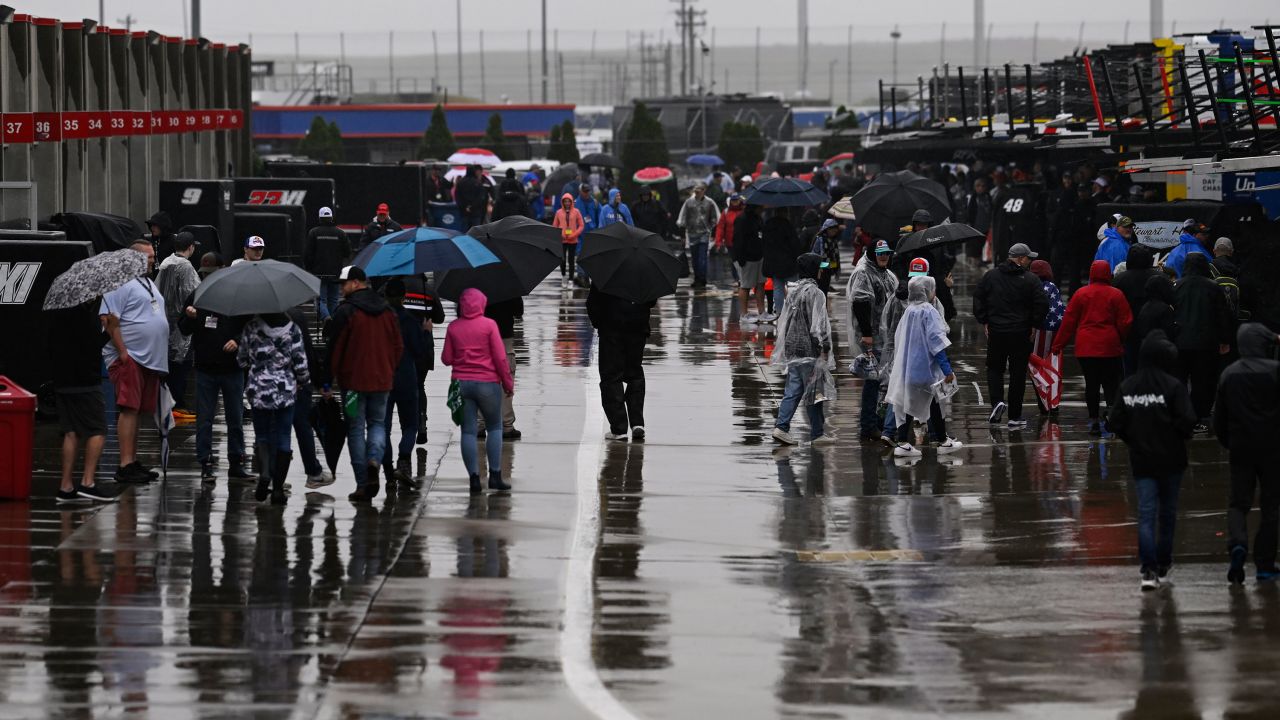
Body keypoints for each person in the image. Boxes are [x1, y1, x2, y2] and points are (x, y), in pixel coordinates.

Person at [1107, 330, 1197, 591]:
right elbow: (1188, 419)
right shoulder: (1173, 386)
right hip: (1172, 459)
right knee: (1167, 515)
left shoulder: (1128, 386)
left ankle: (1147, 570)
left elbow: (1115, 422)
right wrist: (1177, 436)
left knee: (1146, 515)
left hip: (1142, 459)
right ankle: (1163, 564)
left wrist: (1133, 439)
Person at [327, 265, 404, 502]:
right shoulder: (387, 310)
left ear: (357, 283)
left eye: (344, 283)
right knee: (379, 424)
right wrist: (388, 369)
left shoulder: (346, 312)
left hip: (352, 384)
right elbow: (398, 346)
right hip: (382, 381)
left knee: (355, 428)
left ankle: (362, 482)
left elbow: (335, 348)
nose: (341, 288)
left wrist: (327, 381)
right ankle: (374, 460)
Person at [1214, 323, 1280, 584]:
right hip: (1273, 448)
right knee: (1271, 506)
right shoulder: (1276, 372)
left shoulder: (1230, 374)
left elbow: (1219, 416)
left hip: (1241, 446)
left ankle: (1238, 544)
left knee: (1238, 503)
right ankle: (1264, 564)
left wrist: (1228, 441)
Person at [100, 240, 167, 484]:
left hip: (148, 359)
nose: (152, 260)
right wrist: (123, 352)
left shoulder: (147, 282)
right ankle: (124, 464)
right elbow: (109, 319)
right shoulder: (119, 283)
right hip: (131, 357)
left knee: (137, 411)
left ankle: (132, 460)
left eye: (152, 256)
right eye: (147, 257)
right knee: (128, 409)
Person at [180, 267, 253, 484]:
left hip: (232, 370)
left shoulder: (238, 298)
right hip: (206, 369)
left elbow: (249, 327)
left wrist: (238, 341)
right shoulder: (197, 296)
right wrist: (190, 317)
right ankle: (206, 462)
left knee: (235, 419)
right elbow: (183, 329)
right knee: (204, 420)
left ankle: (236, 461)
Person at [441, 288, 514, 494]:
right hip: (488, 384)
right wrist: (508, 384)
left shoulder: (454, 327)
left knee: (469, 431)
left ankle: (474, 478)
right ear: (482, 304)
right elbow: (500, 359)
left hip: (461, 384)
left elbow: (446, 359)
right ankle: (496, 475)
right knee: (495, 427)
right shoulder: (489, 325)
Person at [972, 243, 1050, 429]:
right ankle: (1015, 416)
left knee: (994, 369)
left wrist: (985, 320)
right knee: (1017, 373)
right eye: (1028, 258)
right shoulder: (1031, 279)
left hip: (997, 332)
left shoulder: (991, 276)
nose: (1030, 261)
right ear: (1021, 259)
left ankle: (997, 402)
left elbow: (978, 298)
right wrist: (1034, 324)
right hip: (1021, 333)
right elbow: (1042, 304)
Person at [1051, 260, 1133, 434]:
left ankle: (1094, 420)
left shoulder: (1081, 294)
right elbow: (1126, 321)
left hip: (1086, 347)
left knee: (1092, 384)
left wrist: (1058, 345)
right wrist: (1120, 338)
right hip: (1110, 345)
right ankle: (1111, 412)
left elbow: (1069, 323)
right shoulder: (1116, 294)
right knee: (1112, 383)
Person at [886, 275, 962, 457]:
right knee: (933, 400)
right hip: (925, 368)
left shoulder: (909, 311)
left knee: (911, 403)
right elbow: (936, 342)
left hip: (908, 369)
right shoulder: (929, 311)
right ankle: (941, 441)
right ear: (926, 291)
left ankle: (906, 442)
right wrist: (947, 370)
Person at [237, 312, 309, 504]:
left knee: (262, 435)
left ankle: (265, 474)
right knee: (284, 436)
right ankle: (278, 489)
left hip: (259, 389)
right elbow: (300, 363)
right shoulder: (293, 329)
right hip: (284, 390)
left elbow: (241, 359)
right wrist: (302, 380)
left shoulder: (251, 327)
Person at [48, 300, 116, 503]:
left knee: (71, 432)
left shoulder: (58, 313)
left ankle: (66, 486)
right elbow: (92, 346)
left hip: (62, 381)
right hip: (85, 381)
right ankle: (88, 482)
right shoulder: (85, 317)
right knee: (98, 430)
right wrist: (109, 329)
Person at [769, 254, 835, 446]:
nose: (822, 270)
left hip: (793, 347)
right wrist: (825, 347)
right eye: (820, 267)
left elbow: (785, 320)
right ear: (814, 269)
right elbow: (819, 324)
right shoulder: (816, 293)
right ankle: (817, 433)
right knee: (815, 390)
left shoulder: (794, 290)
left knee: (793, 389)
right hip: (808, 349)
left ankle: (781, 427)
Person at [587, 284, 655, 442]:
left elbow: (593, 303)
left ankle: (619, 428)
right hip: (638, 327)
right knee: (635, 373)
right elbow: (651, 300)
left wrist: (599, 323)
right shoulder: (645, 269)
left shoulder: (605, 270)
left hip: (612, 327)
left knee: (611, 376)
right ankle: (637, 422)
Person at [1173, 252, 1232, 431]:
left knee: (1180, 379)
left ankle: (1182, 413)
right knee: (1203, 382)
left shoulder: (1177, 286)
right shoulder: (1213, 287)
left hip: (1180, 341)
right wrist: (1225, 340)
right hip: (1206, 343)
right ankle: (1200, 416)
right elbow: (1223, 315)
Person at [847, 239, 898, 441]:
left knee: (883, 381)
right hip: (872, 337)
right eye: (880, 253)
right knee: (873, 381)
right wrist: (867, 334)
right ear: (872, 254)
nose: (884, 256)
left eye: (887, 252)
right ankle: (868, 425)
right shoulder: (863, 273)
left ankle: (877, 421)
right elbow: (860, 302)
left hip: (884, 337)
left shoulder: (885, 273)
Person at [379, 279, 427, 490]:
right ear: (404, 295)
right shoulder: (409, 320)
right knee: (410, 425)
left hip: (383, 379)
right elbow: (419, 352)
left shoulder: (379, 319)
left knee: (383, 428)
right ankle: (404, 461)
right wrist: (425, 331)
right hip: (406, 377)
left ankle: (388, 474)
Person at [286, 306, 333, 490]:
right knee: (303, 427)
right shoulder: (295, 316)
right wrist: (320, 382)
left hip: (267, 388)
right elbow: (307, 354)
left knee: (274, 432)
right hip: (297, 384)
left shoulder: (256, 320)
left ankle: (274, 476)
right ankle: (313, 472)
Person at [155, 231, 200, 416]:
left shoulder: (166, 263)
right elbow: (194, 293)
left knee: (169, 365)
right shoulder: (186, 266)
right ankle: (178, 404)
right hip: (182, 322)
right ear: (191, 247)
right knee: (182, 366)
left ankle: (168, 403)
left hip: (164, 322)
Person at [403, 274, 446, 444]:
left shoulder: (397, 288)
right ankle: (421, 421)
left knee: (402, 388)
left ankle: (408, 425)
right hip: (423, 345)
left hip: (402, 348)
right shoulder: (428, 291)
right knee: (419, 386)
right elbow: (440, 318)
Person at [477, 297, 524, 441]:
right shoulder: (509, 285)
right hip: (504, 337)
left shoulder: (472, 283)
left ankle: (479, 424)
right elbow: (518, 312)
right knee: (506, 383)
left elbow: (462, 312)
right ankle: (506, 425)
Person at [1112, 245, 1161, 376]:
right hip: (1154, 330)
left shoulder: (1119, 280)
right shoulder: (1159, 278)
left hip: (1128, 331)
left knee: (1129, 369)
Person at [1030, 259, 1066, 415]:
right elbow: (1059, 311)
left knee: (1035, 368)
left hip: (1034, 332)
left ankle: (1042, 401)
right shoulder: (1052, 287)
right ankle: (1053, 402)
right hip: (1052, 333)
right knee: (1052, 367)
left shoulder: (1030, 286)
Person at [304, 206, 352, 322]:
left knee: (321, 300)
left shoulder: (313, 232)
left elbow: (308, 254)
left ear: (320, 218)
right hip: (336, 273)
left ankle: (326, 318)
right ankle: (333, 325)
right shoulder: (340, 233)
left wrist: (310, 269)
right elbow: (348, 252)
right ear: (331, 218)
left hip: (319, 274)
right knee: (334, 300)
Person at [676, 183, 721, 288]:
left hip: (704, 234)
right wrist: (683, 234)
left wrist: (711, 230)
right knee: (695, 258)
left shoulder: (709, 203)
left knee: (702, 257)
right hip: (692, 234)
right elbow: (683, 218)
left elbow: (715, 218)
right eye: (695, 190)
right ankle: (697, 278)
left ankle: (702, 278)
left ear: (704, 190)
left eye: (699, 190)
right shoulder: (689, 202)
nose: (697, 192)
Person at [762, 207, 804, 319]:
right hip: (788, 262)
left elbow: (764, 243)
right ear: (785, 213)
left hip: (774, 263)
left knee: (778, 288)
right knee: (793, 288)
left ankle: (779, 313)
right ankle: (794, 311)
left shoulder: (768, 225)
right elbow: (795, 244)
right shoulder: (787, 225)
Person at [732, 202, 767, 320]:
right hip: (747, 258)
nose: (763, 208)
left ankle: (762, 312)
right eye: (761, 206)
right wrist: (741, 258)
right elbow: (738, 240)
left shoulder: (758, 218)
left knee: (761, 284)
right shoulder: (742, 219)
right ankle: (743, 313)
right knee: (745, 285)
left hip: (759, 255)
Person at [552, 193, 585, 280]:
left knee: (571, 261)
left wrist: (574, 234)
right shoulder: (558, 212)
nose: (567, 203)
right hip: (562, 240)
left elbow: (581, 225)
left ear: (571, 202)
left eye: (569, 201)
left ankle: (570, 279)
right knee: (562, 260)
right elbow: (554, 226)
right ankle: (563, 275)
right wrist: (560, 234)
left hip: (572, 240)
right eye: (565, 201)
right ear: (562, 202)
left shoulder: (576, 212)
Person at [811, 219, 843, 293]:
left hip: (829, 267)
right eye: (832, 229)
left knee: (825, 288)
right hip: (821, 268)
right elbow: (814, 253)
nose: (834, 231)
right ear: (827, 229)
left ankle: (824, 303)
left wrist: (836, 267)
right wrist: (819, 267)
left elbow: (836, 255)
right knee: (821, 289)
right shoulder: (820, 239)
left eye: (836, 229)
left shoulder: (833, 240)